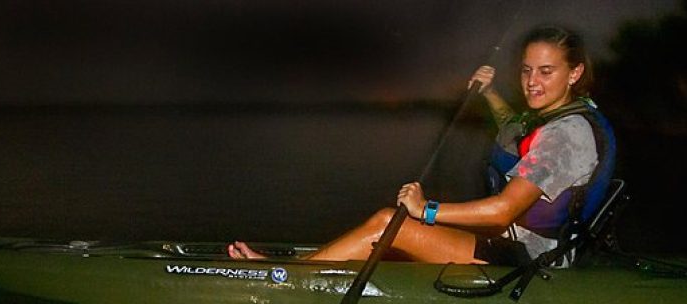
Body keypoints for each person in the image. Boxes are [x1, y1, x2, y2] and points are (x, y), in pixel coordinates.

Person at [229, 25, 613, 267]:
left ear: (574, 72)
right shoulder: (561, 117)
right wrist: (491, 93)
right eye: (527, 70)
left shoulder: (567, 134)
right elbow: (516, 131)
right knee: (390, 232)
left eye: (546, 71)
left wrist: (426, 210)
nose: (532, 81)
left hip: (529, 256)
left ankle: (281, 278)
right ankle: (309, 266)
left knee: (387, 225)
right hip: (512, 241)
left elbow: (501, 212)